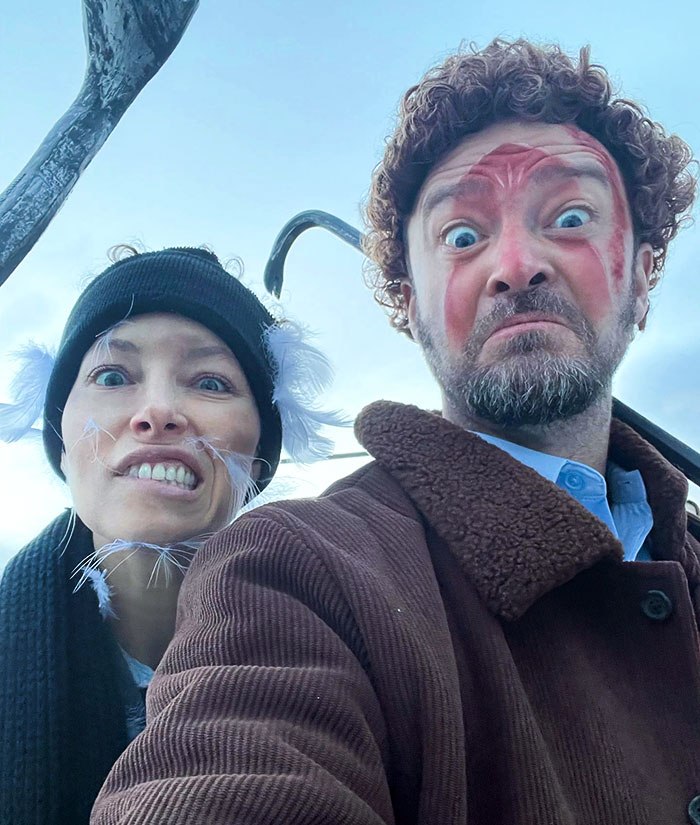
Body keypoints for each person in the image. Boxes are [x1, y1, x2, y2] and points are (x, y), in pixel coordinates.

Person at [92, 41, 700, 825]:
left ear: (644, 274)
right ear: (409, 304)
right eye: (461, 236)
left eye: (571, 217)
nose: (515, 264)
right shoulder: (299, 571)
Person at [0, 245, 342, 825]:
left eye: (209, 382)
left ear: (260, 455)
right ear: (58, 434)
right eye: (112, 376)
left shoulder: (347, 653)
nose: (157, 412)